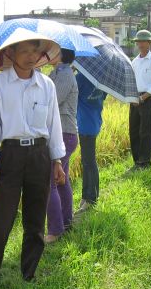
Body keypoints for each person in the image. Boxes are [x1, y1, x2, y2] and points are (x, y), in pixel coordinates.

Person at [0, 29, 65, 289]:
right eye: (24, 51)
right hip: (10, 154)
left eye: (34, 51)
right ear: (11, 53)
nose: (30, 56)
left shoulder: (46, 85)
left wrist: (57, 160)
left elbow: (54, 123)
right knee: (1, 220)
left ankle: (29, 272)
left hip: (39, 155)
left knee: (36, 219)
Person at [45, 48, 78, 244]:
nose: (47, 53)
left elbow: (51, 101)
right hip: (62, 133)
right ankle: (66, 222)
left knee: (50, 182)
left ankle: (55, 230)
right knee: (61, 180)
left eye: (52, 51)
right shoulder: (56, 73)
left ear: (61, 55)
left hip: (64, 134)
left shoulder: (65, 75)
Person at [129, 30, 151, 170]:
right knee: (134, 130)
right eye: (139, 42)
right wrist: (132, 97)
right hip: (134, 98)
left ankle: (144, 162)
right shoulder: (134, 61)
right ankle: (137, 161)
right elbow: (131, 80)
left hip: (147, 99)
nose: (141, 44)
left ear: (149, 43)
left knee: (146, 131)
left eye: (144, 41)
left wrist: (143, 97)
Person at [75, 71, 107, 212]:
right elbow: (104, 96)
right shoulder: (100, 77)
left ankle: (91, 197)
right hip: (94, 121)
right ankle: (86, 195)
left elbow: (71, 96)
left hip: (84, 123)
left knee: (88, 161)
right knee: (88, 160)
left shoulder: (80, 77)